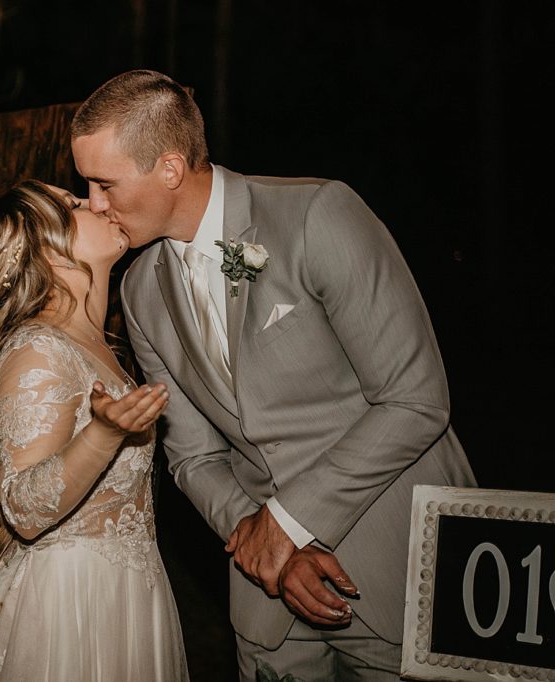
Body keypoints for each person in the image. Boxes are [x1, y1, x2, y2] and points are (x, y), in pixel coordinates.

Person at [70, 70, 476, 680]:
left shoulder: (317, 216)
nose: (93, 203)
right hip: (270, 603)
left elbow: (414, 401)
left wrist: (287, 523)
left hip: (398, 571)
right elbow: (192, 457)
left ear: (171, 169)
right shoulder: (139, 290)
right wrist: (266, 548)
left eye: (105, 184)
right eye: (87, 186)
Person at [0, 180, 190, 681]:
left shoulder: (97, 346)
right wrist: (103, 435)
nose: (96, 203)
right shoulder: (38, 350)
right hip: (71, 608)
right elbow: (24, 509)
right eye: (73, 205)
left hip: (129, 593)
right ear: (48, 250)